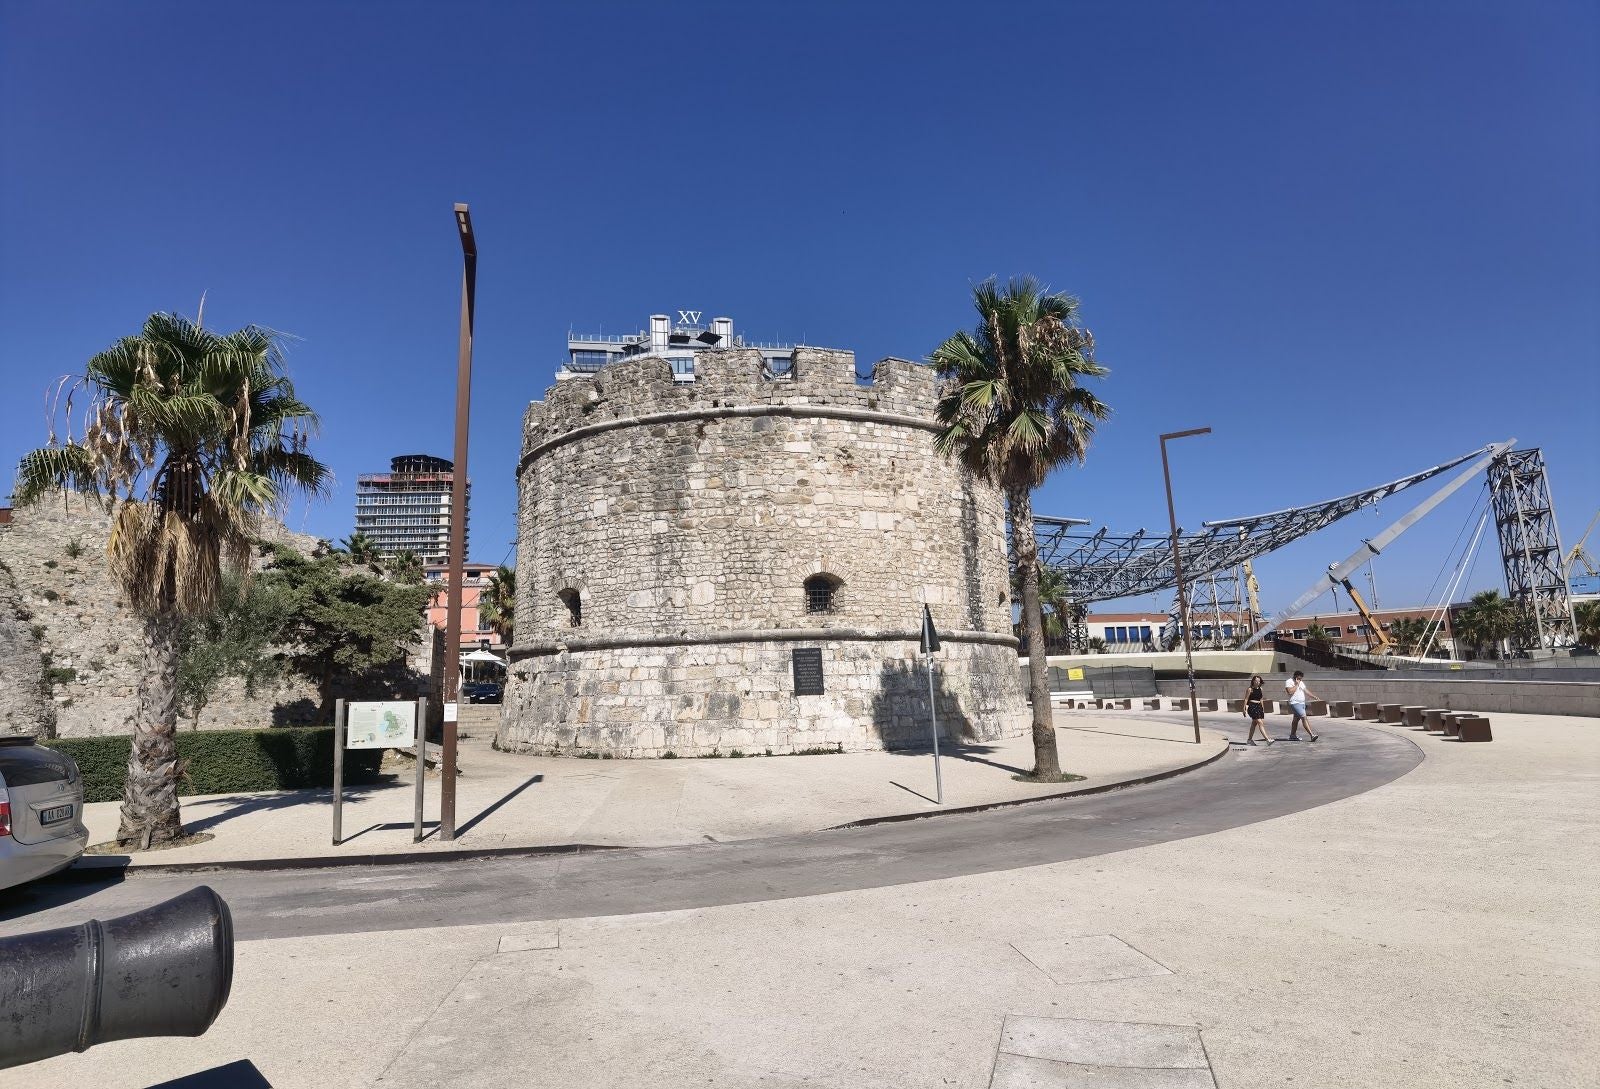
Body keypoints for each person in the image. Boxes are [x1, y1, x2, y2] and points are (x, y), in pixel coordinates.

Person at [1284, 670, 1319, 741]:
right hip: (1295, 703)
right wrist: (1297, 684)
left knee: (1295, 720)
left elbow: (1305, 690)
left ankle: (1292, 735)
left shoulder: (1301, 682)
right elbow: (1290, 692)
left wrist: (1314, 696)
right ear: (1295, 676)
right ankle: (1312, 735)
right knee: (1304, 718)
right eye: (1299, 678)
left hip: (1302, 703)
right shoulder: (1289, 681)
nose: (1300, 679)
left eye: (1301, 678)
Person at [1243, 674, 1273, 745]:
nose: (1257, 682)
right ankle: (1267, 740)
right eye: (1256, 681)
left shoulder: (1260, 689)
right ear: (1253, 681)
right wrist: (1243, 709)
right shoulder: (1250, 689)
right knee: (1260, 722)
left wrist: (1262, 708)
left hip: (1259, 707)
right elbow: (1246, 699)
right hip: (1252, 707)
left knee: (1254, 723)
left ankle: (1249, 740)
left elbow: (1261, 699)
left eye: (1259, 681)